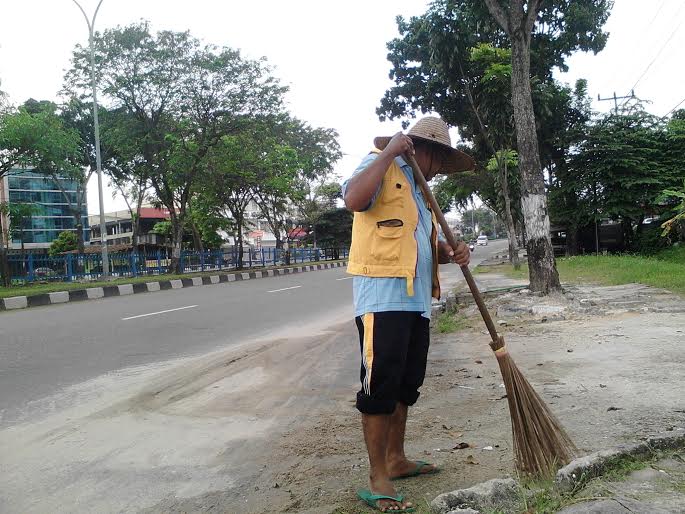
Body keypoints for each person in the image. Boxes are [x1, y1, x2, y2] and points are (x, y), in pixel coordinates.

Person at [343, 117, 474, 512]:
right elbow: (353, 199)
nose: (439, 168)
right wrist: (388, 153)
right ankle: (377, 476)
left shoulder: (421, 192)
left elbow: (419, 249)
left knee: (405, 385)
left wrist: (451, 254)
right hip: (382, 299)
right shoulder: (377, 165)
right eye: (440, 158)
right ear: (425, 150)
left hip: (417, 303)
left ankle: (397, 460)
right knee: (380, 387)